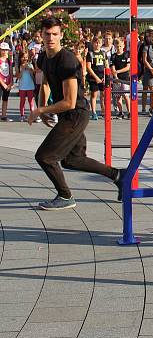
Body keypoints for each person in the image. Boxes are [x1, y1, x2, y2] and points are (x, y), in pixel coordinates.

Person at [27, 17, 123, 211]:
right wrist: (41, 104)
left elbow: (70, 102)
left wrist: (41, 110)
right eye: (47, 34)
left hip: (76, 114)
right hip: (66, 115)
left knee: (45, 156)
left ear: (61, 35)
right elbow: (45, 81)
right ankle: (119, 176)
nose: (50, 38)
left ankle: (65, 196)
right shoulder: (43, 57)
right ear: (41, 35)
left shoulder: (67, 60)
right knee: (72, 160)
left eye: (55, 34)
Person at [110, 37, 131, 119]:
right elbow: (112, 68)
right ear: (114, 46)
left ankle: (129, 112)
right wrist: (116, 77)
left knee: (126, 96)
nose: (119, 48)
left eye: (120, 46)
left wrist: (118, 72)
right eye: (117, 46)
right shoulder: (113, 56)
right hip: (116, 79)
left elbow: (128, 67)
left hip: (125, 78)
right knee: (118, 97)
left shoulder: (126, 54)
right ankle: (120, 112)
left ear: (123, 45)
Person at [85, 36, 106, 120]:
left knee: (103, 94)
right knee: (94, 94)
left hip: (102, 76)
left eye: (99, 43)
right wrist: (96, 77)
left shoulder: (103, 53)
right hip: (93, 77)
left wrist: (105, 76)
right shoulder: (90, 54)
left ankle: (103, 111)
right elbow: (88, 67)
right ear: (93, 43)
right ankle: (93, 112)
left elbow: (106, 65)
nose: (97, 44)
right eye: (96, 42)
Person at [16, 48, 38, 122]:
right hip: (22, 86)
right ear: (20, 58)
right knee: (22, 101)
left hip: (30, 86)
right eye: (23, 57)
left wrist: (31, 69)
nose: (24, 58)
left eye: (26, 57)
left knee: (31, 101)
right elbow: (18, 77)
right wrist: (22, 69)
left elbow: (34, 74)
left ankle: (32, 115)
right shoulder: (19, 66)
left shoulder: (30, 65)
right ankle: (22, 115)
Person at [0, 42, 12, 121]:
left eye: (6, 50)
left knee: (5, 99)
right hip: (1, 82)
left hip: (7, 83)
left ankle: (4, 115)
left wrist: (11, 83)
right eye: (3, 50)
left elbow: (10, 72)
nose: (4, 51)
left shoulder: (9, 61)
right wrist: (2, 83)